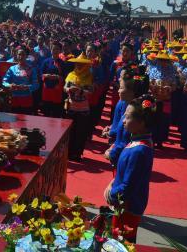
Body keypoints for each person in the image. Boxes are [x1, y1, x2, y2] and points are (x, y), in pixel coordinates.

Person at [104, 95, 156, 243]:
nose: (123, 120)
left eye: (127, 117)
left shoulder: (140, 150)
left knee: (121, 241)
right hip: (124, 203)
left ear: (141, 122)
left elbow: (129, 185)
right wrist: (113, 182)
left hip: (128, 206)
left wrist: (112, 194)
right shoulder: (136, 140)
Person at [64, 55, 94, 161]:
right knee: (70, 132)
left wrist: (80, 90)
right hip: (71, 107)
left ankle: (77, 154)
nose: (79, 65)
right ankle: (68, 152)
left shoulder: (89, 76)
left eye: (81, 64)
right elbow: (65, 87)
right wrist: (69, 89)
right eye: (77, 63)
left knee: (80, 133)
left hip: (83, 109)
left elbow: (90, 92)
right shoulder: (71, 74)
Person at [2, 46, 39, 115]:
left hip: (27, 99)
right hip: (14, 98)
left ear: (26, 56)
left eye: (23, 55)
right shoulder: (12, 68)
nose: (20, 57)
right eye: (19, 54)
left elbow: (36, 85)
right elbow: (4, 81)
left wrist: (27, 87)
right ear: (16, 55)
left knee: (26, 121)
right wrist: (10, 85)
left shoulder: (31, 69)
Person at [40, 41, 65, 118]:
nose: (55, 51)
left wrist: (57, 77)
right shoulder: (46, 61)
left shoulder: (63, 63)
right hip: (47, 89)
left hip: (57, 90)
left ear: (60, 51)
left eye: (57, 49)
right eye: (53, 49)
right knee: (46, 112)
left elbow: (65, 77)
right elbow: (41, 74)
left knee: (56, 113)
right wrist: (46, 76)